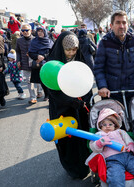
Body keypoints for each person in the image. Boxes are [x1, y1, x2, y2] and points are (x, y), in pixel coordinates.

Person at [47, 31, 91, 179]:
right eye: (68, 50)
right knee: (68, 140)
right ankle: (72, 168)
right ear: (61, 48)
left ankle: (86, 165)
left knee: (84, 136)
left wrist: (84, 98)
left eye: (74, 49)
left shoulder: (79, 60)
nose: (71, 53)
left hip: (80, 108)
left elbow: (86, 82)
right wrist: (70, 101)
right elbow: (52, 90)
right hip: (63, 109)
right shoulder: (52, 62)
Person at [93, 10, 134, 106]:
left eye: (124, 23)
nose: (121, 26)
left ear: (127, 24)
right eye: (118, 22)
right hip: (111, 94)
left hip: (133, 92)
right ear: (111, 26)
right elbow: (99, 68)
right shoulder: (105, 42)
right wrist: (102, 87)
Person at [88, 108, 134, 187]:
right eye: (104, 124)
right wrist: (100, 143)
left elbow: (128, 140)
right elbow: (93, 147)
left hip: (127, 155)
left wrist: (131, 145)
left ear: (115, 125)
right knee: (115, 176)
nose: (107, 126)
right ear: (100, 125)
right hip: (112, 159)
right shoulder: (99, 135)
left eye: (110, 124)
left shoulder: (120, 132)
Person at [16, 24, 43, 104]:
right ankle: (33, 97)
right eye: (23, 30)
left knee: (38, 80)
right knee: (28, 81)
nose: (25, 32)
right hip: (25, 63)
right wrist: (18, 60)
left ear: (30, 30)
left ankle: (39, 91)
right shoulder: (19, 40)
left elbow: (40, 51)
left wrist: (36, 57)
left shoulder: (36, 40)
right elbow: (17, 51)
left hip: (35, 63)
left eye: (27, 30)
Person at [28, 27, 54, 102]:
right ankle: (46, 94)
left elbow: (52, 52)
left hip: (49, 64)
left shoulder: (50, 41)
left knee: (50, 80)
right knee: (42, 80)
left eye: (41, 31)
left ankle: (51, 95)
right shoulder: (34, 41)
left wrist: (44, 57)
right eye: (38, 31)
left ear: (45, 32)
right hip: (38, 64)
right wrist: (37, 56)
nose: (40, 33)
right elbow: (30, 52)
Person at [0, 34, 8, 106]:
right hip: (0, 62)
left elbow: (0, 52)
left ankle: (1, 98)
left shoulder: (0, 37)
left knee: (0, 83)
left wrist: (0, 65)